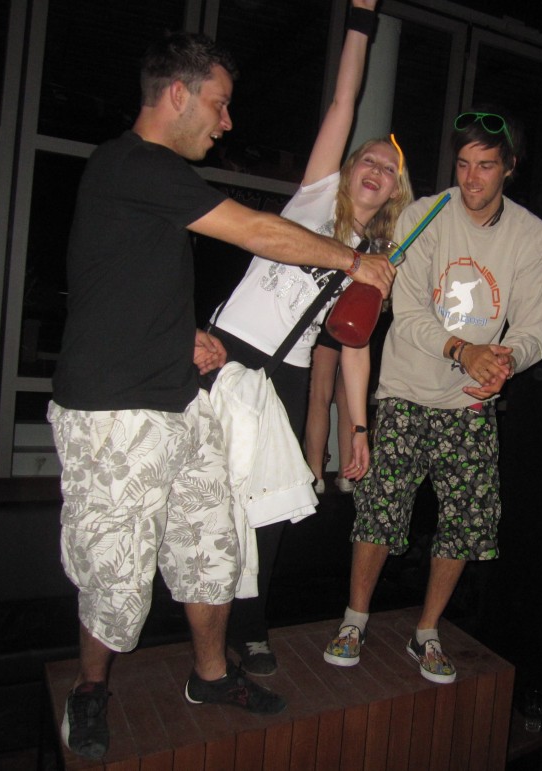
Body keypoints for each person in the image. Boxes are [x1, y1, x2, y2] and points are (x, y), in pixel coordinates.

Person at [47, 29, 395, 761]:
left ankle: (210, 674)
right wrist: (352, 261)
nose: (226, 121)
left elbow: (120, 282)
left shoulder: (145, 180)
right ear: (178, 95)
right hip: (112, 409)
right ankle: (90, 687)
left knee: (213, 543)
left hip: (180, 396)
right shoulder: (135, 163)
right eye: (220, 103)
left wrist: (187, 336)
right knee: (116, 569)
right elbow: (253, 231)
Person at [209, 0, 413, 677]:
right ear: (349, 168)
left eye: (389, 168)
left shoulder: (377, 259)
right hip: (229, 350)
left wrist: (357, 428)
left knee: (266, 510)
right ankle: (191, 619)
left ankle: (250, 626)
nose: (377, 168)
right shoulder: (314, 201)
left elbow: (355, 346)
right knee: (205, 492)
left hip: (288, 376)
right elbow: (343, 101)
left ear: (393, 192)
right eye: (369, 159)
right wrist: (361, 17)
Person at [324, 107, 542, 684]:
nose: (471, 178)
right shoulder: (424, 215)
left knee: (466, 519)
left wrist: (506, 361)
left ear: (509, 167)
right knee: (380, 508)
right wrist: (463, 350)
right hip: (406, 387)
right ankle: (355, 619)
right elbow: (407, 313)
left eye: (486, 166)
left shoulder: (534, 238)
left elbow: (534, 329)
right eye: (463, 164)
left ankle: (426, 631)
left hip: (471, 400)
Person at [305, 325, 356, 495]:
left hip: (329, 320)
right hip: (360, 319)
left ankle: (316, 477)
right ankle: (346, 476)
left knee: (319, 396)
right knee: (350, 399)